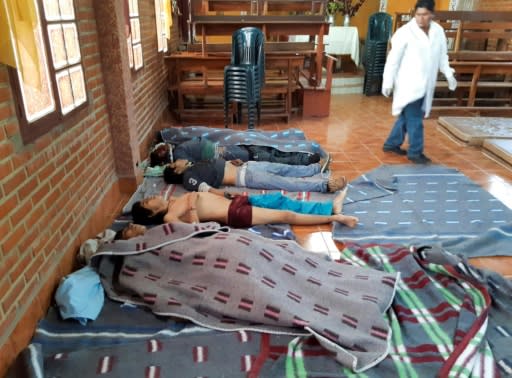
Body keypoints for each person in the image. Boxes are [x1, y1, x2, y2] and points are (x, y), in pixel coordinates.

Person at [381, 0, 457, 164]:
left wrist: (449, 74)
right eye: (418, 15)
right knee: (415, 118)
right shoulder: (405, 32)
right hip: (408, 83)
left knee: (407, 115)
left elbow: (442, 56)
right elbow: (393, 59)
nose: (421, 18)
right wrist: (387, 81)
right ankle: (415, 152)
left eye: (425, 15)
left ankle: (391, 144)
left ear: (431, 14)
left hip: (427, 83)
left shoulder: (438, 31)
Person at [130, 190, 358, 229]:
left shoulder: (173, 201)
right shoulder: (170, 215)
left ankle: (329, 207)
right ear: (151, 213)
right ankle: (335, 218)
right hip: (236, 214)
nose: (149, 198)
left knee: (279, 200)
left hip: (236, 202)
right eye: (146, 203)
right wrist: (191, 207)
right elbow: (196, 230)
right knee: (286, 216)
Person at [162, 158, 346, 194]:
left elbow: (214, 167)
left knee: (283, 168)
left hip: (247, 166)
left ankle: (315, 169)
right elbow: (204, 188)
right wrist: (224, 195)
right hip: (246, 178)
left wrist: (230, 161)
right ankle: (324, 186)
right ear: (176, 171)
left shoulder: (193, 164)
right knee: (286, 182)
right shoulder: (188, 178)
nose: (176, 160)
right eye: (173, 163)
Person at [149, 139, 323, 167]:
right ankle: (305, 160)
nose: (161, 147)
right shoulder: (179, 155)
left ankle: (302, 156)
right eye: (159, 151)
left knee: (272, 152)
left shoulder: (178, 148)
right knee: (272, 158)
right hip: (237, 155)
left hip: (238, 149)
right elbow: (192, 166)